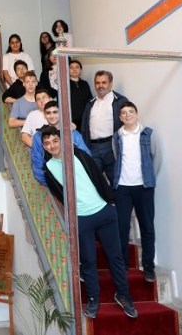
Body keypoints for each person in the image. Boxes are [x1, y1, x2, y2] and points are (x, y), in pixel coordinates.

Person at [41, 127, 138, 319]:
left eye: (55, 140)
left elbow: (98, 176)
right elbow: (60, 195)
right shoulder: (48, 169)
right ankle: (94, 299)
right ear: (44, 147)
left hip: (104, 211)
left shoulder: (79, 155)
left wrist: (110, 202)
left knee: (116, 257)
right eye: (47, 143)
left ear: (61, 140)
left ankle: (124, 295)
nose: (52, 145)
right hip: (81, 219)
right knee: (88, 261)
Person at [112, 101, 160, 282]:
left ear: (137, 114)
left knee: (147, 227)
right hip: (122, 188)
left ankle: (148, 267)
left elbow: (157, 157)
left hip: (144, 188)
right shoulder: (117, 137)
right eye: (123, 113)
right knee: (121, 228)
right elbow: (117, 157)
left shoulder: (147, 134)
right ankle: (123, 265)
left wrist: (148, 178)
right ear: (120, 117)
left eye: (130, 112)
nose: (127, 115)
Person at [80, 70, 129, 181]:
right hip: (93, 148)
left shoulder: (119, 101)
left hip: (111, 146)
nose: (100, 86)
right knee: (94, 181)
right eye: (97, 83)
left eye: (104, 82)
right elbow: (84, 126)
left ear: (110, 84)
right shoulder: (90, 102)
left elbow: (127, 123)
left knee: (115, 180)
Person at [31, 102, 90, 186]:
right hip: (55, 184)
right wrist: (54, 187)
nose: (52, 116)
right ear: (44, 115)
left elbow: (87, 157)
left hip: (80, 181)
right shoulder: (39, 137)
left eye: (55, 112)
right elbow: (38, 165)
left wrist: (84, 180)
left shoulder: (72, 133)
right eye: (48, 113)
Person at [69, 59, 92, 130]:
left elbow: (90, 100)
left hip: (84, 118)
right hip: (71, 119)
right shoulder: (65, 84)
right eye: (71, 67)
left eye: (77, 67)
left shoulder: (85, 84)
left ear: (80, 70)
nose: (74, 69)